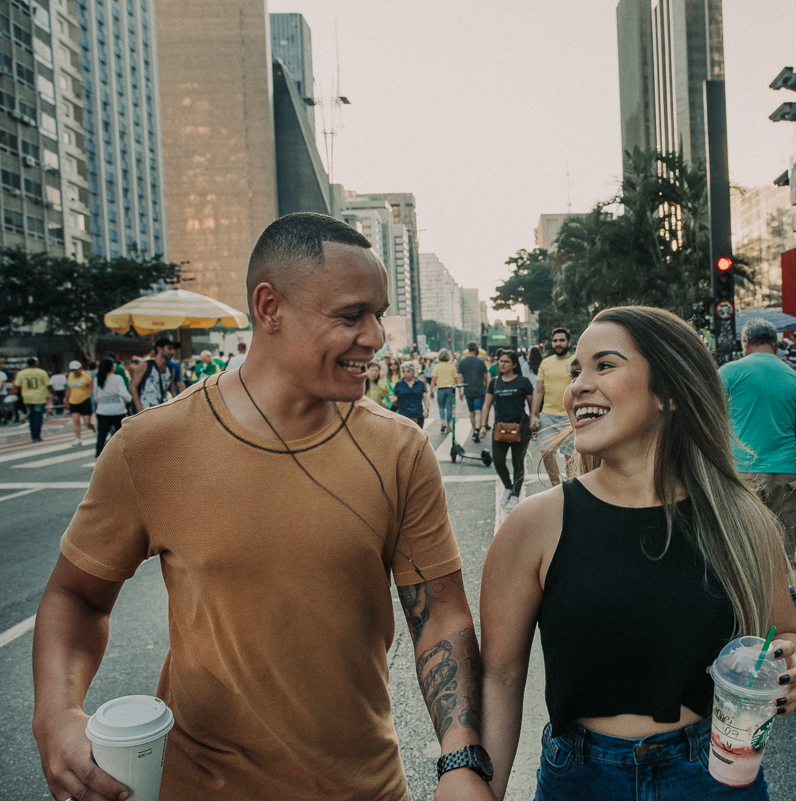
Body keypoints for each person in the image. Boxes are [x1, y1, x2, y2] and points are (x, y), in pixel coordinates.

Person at [32, 212, 491, 801]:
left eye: (378, 314)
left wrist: (460, 758)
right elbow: (76, 595)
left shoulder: (400, 449)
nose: (376, 336)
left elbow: (441, 615)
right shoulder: (150, 446)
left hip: (365, 789)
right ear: (270, 308)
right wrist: (56, 714)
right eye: (351, 315)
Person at [479, 305, 796, 800]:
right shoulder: (535, 524)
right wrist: (484, 788)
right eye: (576, 371)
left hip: (715, 777)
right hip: (580, 782)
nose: (577, 387)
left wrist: (786, 667)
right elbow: (500, 679)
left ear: (668, 392)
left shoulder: (741, 518)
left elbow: (784, 633)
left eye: (604, 366)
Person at [719, 317, 796, 600]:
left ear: (746, 342)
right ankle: (777, 610)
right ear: (775, 344)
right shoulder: (795, 379)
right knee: (778, 553)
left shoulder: (730, 372)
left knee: (741, 548)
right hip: (784, 474)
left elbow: (710, 420)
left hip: (742, 473)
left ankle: (745, 606)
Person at [480, 349, 534, 509]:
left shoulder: (523, 381)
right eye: (500, 361)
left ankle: (516, 495)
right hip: (500, 427)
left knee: (518, 462)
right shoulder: (494, 382)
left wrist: (534, 420)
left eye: (506, 361)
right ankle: (509, 487)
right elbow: (486, 405)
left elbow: (533, 404)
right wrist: (482, 426)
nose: (502, 364)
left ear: (514, 364)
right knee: (498, 461)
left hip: (521, 426)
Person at [531, 327, 574, 486]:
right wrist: (534, 415)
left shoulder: (576, 362)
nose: (558, 343)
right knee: (546, 452)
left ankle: (570, 486)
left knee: (571, 456)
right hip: (547, 415)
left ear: (568, 342)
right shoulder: (546, 363)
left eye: (561, 340)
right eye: (555, 341)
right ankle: (556, 486)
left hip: (570, 416)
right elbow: (538, 390)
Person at [92, 356, 132, 457]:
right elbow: (124, 393)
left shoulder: (97, 379)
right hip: (117, 410)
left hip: (102, 411)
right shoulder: (117, 378)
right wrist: (130, 399)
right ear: (111, 367)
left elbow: (95, 395)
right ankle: (126, 455)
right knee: (123, 435)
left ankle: (98, 457)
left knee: (101, 436)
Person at [131, 336, 185, 412]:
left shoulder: (170, 369)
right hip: (145, 409)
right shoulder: (145, 365)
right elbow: (133, 387)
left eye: (173, 349)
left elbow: (171, 389)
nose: (172, 351)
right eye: (169, 348)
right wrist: (139, 407)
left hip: (161, 410)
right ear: (159, 349)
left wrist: (176, 405)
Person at [457, 342, 490, 442]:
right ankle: (477, 430)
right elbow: (486, 376)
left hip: (468, 389)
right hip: (479, 389)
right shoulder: (481, 361)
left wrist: (459, 391)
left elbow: (459, 377)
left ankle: (474, 430)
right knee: (478, 410)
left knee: (471, 412)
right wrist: (487, 388)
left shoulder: (462, 362)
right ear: (476, 349)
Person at [15, 357, 53, 442]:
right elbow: (48, 385)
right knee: (38, 416)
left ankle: (33, 435)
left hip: (27, 397)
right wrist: (53, 394)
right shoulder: (42, 372)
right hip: (39, 397)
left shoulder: (21, 373)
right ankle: (37, 435)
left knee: (31, 416)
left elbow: (17, 386)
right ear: (36, 363)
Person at [65, 360, 96, 446]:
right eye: (73, 370)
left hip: (85, 400)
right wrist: (66, 400)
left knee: (87, 422)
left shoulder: (87, 376)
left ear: (80, 368)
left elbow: (92, 389)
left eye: (76, 369)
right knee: (75, 420)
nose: (74, 371)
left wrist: (95, 399)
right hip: (73, 401)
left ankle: (93, 428)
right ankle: (78, 438)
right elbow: (68, 389)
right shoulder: (70, 376)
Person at [391, 361, 430, 428]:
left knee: (417, 434)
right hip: (403, 416)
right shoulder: (399, 384)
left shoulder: (420, 383)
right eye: (404, 372)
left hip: (417, 414)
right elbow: (395, 398)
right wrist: (394, 400)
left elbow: (425, 398)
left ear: (413, 372)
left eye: (408, 371)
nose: (406, 374)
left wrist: (427, 409)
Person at [430, 349, 459, 434]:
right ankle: (448, 425)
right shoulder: (452, 366)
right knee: (449, 408)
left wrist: (431, 390)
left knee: (441, 407)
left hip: (440, 388)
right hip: (450, 388)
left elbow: (433, 379)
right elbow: (456, 378)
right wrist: (459, 389)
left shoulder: (437, 366)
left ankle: (443, 422)